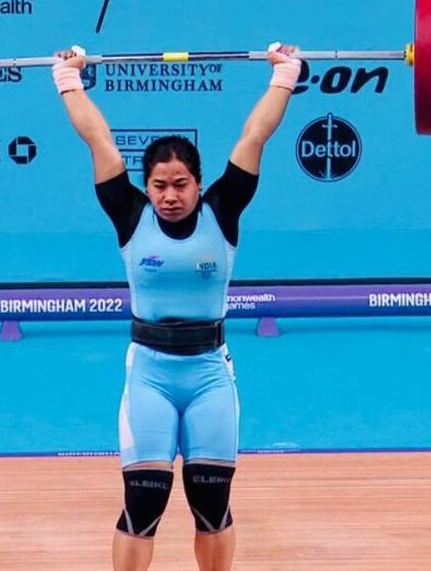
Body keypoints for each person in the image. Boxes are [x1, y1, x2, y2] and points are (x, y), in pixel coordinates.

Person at [53, 42, 301, 571]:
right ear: (145, 187)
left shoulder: (223, 210)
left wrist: (285, 73)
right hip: (150, 375)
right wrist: (67, 78)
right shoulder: (129, 214)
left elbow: (254, 136)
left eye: (181, 184)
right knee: (143, 506)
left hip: (209, 374)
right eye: (159, 186)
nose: (170, 195)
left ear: (199, 183)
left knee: (211, 506)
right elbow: (98, 139)